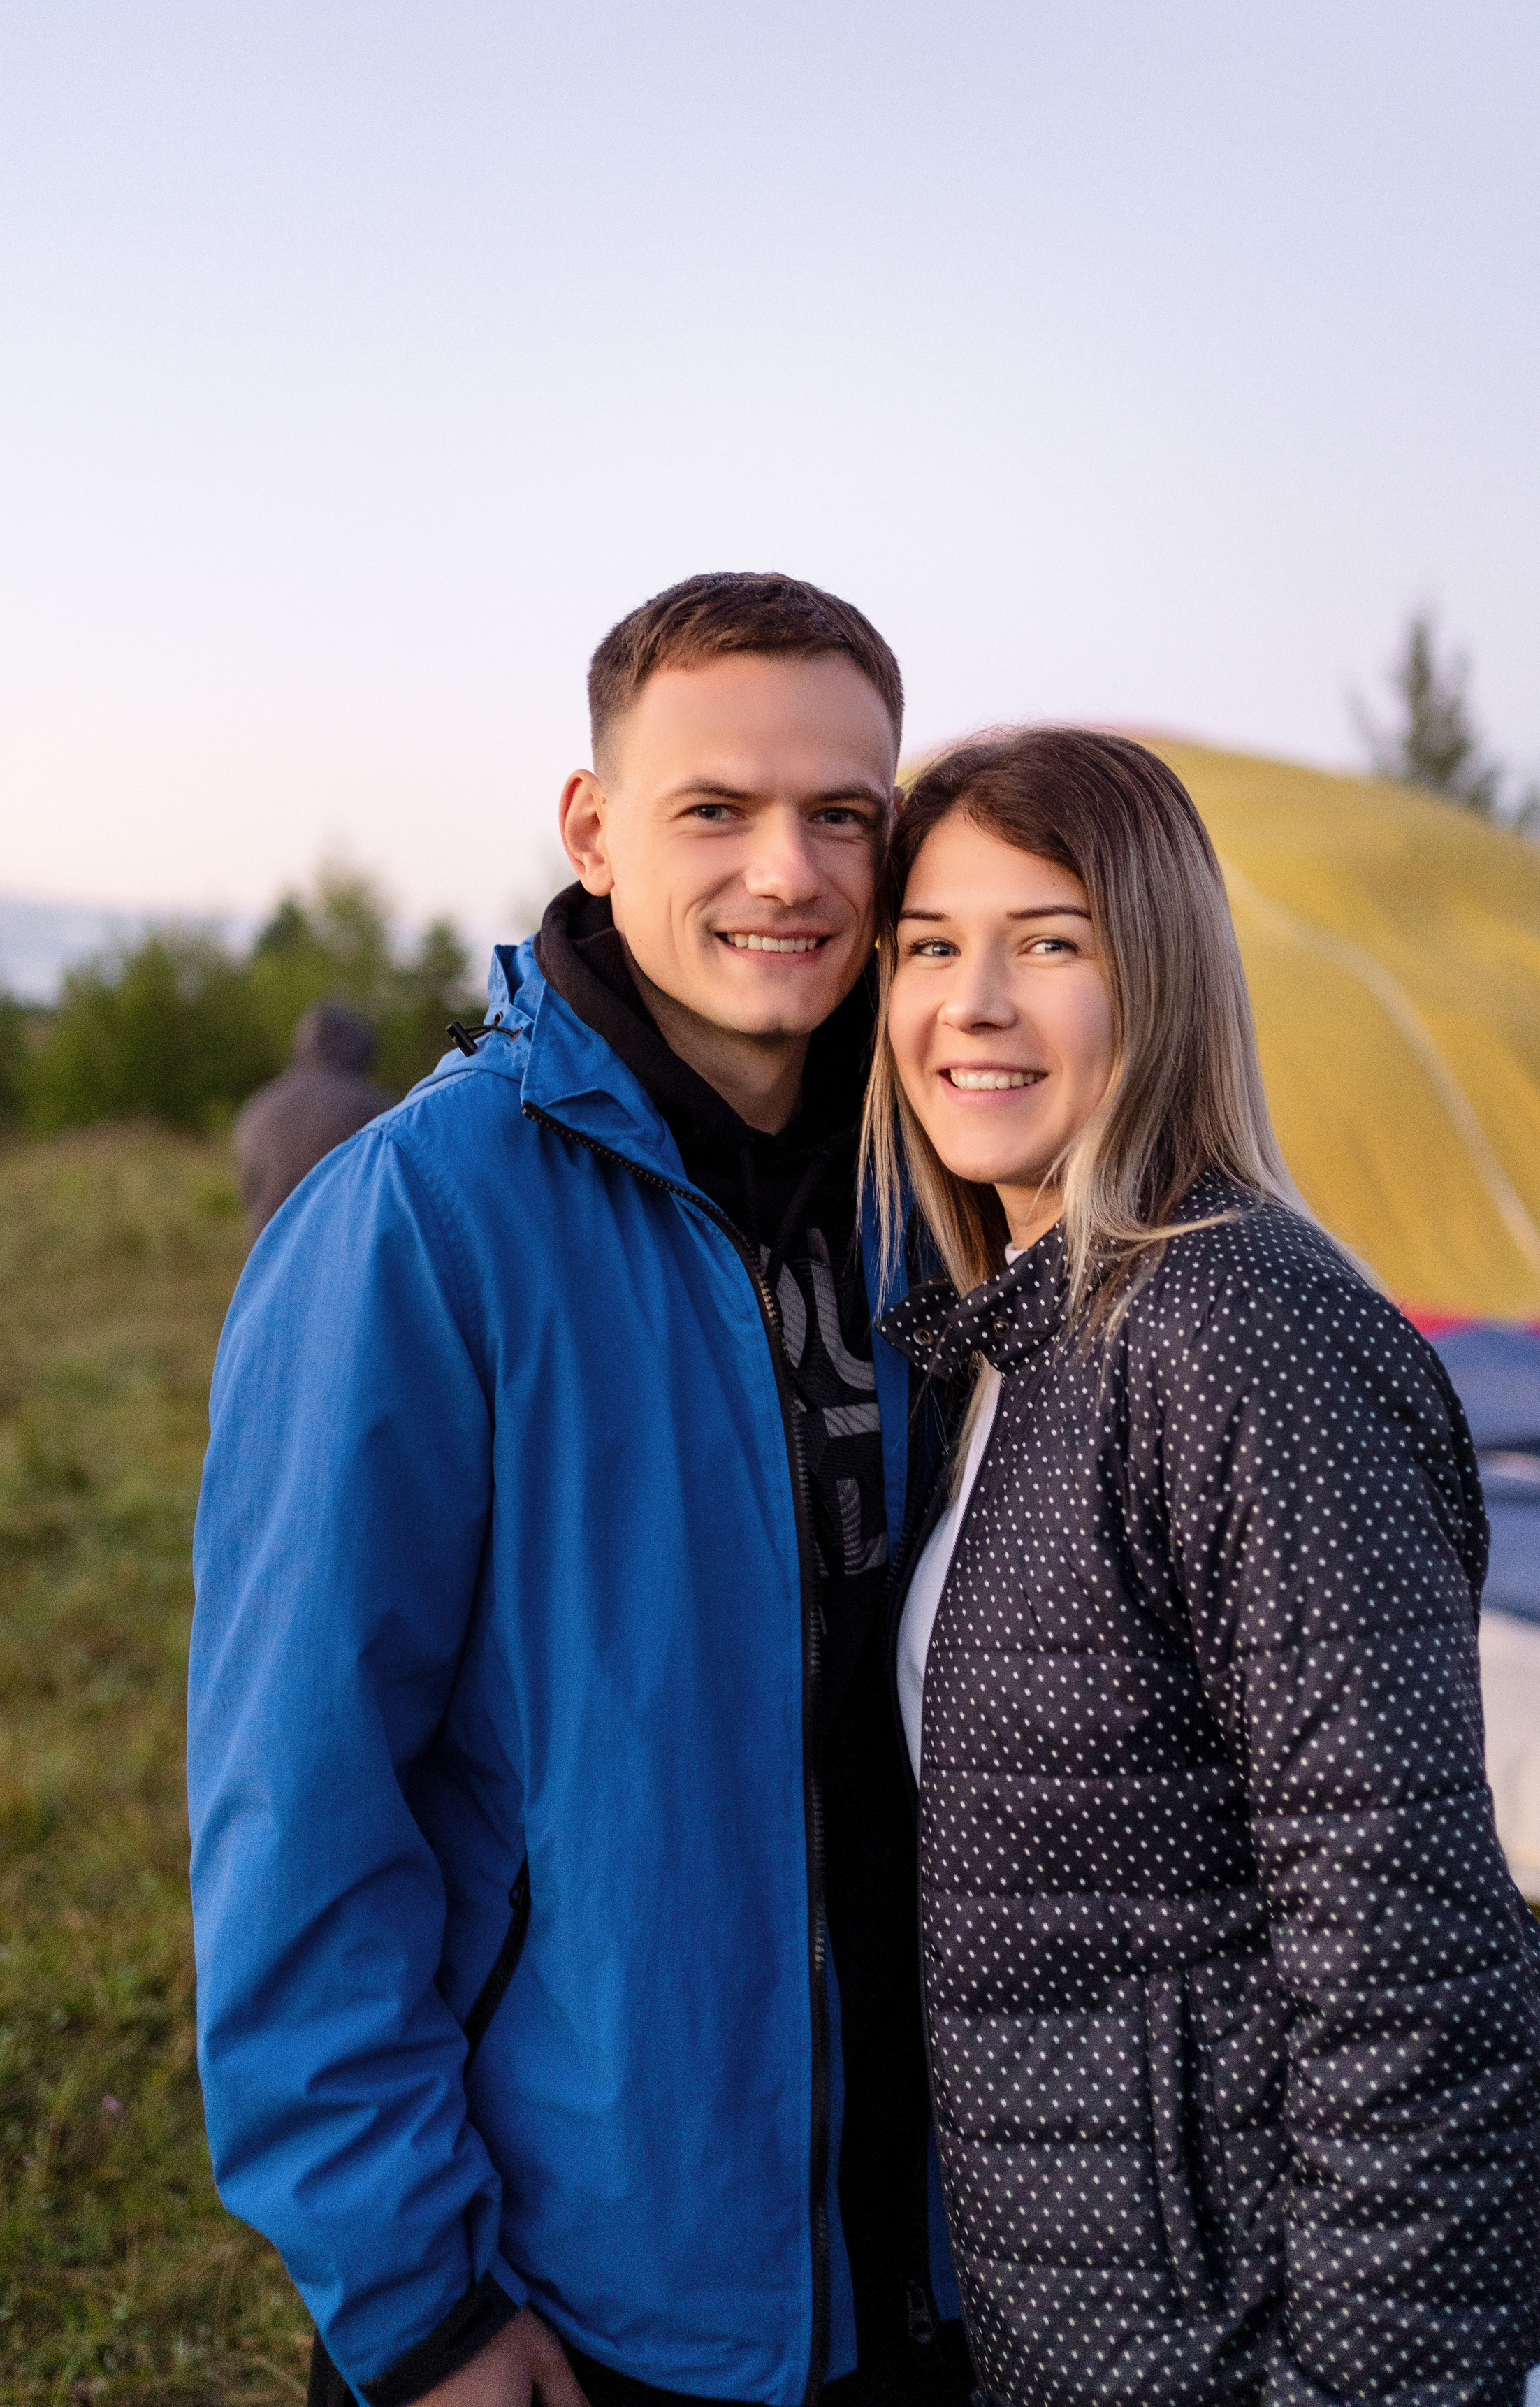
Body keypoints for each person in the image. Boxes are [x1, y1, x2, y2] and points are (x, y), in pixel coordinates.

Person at [188, 576, 968, 2407]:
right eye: (715, 808)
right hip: (588, 2280)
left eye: (840, 814)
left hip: (928, 2258)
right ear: (594, 832)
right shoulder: (419, 1220)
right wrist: (422, 2304)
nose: (786, 871)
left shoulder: (941, 1190)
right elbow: (300, 1801)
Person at [866, 728, 1540, 2407]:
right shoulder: (1023, 1336)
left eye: (1047, 942)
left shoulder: (1238, 1330)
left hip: (1291, 2337)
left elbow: (1401, 1929)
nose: (972, 1003)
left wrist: (1373, 2375)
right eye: (929, 946)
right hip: (1116, 2319)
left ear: (1161, 980)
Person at [233, 999, 392, 1237]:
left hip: (267, 1257)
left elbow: (249, 1196)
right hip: (344, 1254)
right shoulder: (377, 1111)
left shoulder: (257, 1109)